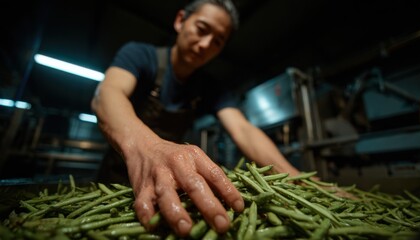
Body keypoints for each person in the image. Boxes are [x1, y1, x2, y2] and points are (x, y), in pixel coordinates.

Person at [91, 0, 300, 236]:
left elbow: (243, 130)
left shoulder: (210, 87)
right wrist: (148, 150)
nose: (205, 44)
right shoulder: (139, 55)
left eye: (217, 42)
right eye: (202, 29)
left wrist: (295, 176)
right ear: (180, 21)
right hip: (115, 181)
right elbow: (107, 94)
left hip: (169, 185)